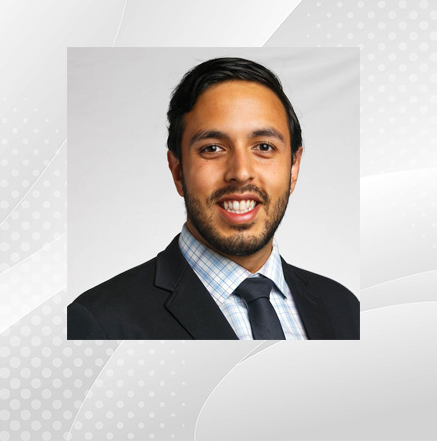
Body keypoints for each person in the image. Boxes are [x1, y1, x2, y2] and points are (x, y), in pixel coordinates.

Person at [67, 57, 359, 340]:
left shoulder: (345, 309)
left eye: (264, 147)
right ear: (178, 171)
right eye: (212, 148)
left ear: (293, 168)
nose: (241, 173)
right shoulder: (100, 323)